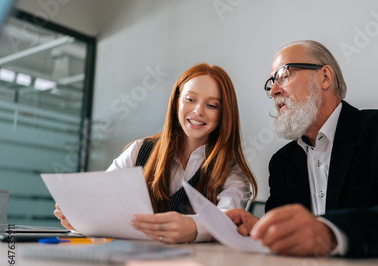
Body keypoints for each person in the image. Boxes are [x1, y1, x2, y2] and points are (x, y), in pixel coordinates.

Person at [226, 40, 378, 258]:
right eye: (270, 83)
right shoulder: (283, 162)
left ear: (325, 77)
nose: (273, 90)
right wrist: (262, 231)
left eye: (284, 75)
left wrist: (329, 233)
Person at [55, 63, 258, 243]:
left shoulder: (231, 173)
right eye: (190, 99)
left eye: (212, 105)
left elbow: (227, 220)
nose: (198, 111)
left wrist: (193, 228)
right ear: (177, 101)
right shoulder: (139, 150)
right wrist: (85, 218)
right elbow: (103, 200)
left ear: (223, 115)